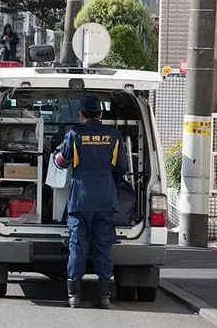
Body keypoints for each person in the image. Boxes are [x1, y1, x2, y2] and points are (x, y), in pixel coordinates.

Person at [53, 95, 128, 309]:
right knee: (103, 246)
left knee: (77, 245)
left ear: (81, 113)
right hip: (105, 198)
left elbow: (61, 162)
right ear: (101, 113)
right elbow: (121, 167)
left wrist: (57, 152)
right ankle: (104, 297)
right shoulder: (113, 135)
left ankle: (74, 297)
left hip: (81, 198)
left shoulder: (74, 134)